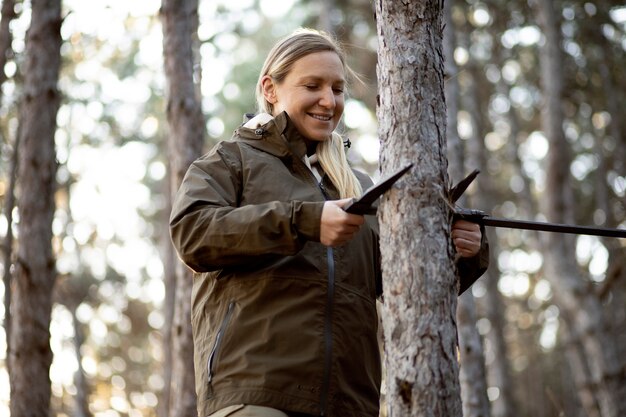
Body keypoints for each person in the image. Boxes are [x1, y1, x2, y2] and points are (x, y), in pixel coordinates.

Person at [169, 28, 488, 417]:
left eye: (337, 89)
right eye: (312, 86)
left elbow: (400, 284)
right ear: (271, 88)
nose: (328, 101)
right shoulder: (231, 161)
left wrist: (458, 254)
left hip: (351, 404)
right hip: (258, 396)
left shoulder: (360, 186)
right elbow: (193, 232)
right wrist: (305, 220)